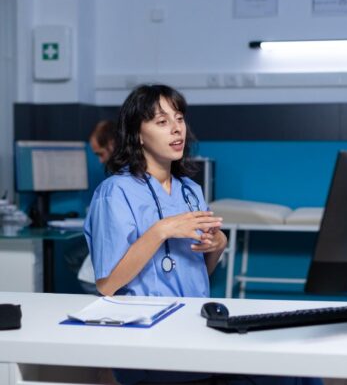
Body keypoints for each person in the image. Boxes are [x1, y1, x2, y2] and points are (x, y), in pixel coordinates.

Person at [84, 85, 323, 385]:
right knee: (287, 376)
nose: (176, 129)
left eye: (179, 118)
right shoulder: (115, 193)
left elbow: (197, 273)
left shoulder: (190, 190)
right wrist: (161, 230)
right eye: (161, 122)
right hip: (148, 340)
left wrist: (217, 247)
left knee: (300, 368)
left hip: (195, 329)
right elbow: (107, 284)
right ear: (138, 135)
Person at [77, 120, 117, 293]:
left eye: (101, 154)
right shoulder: (112, 187)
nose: (101, 161)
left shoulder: (116, 186)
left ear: (112, 144)